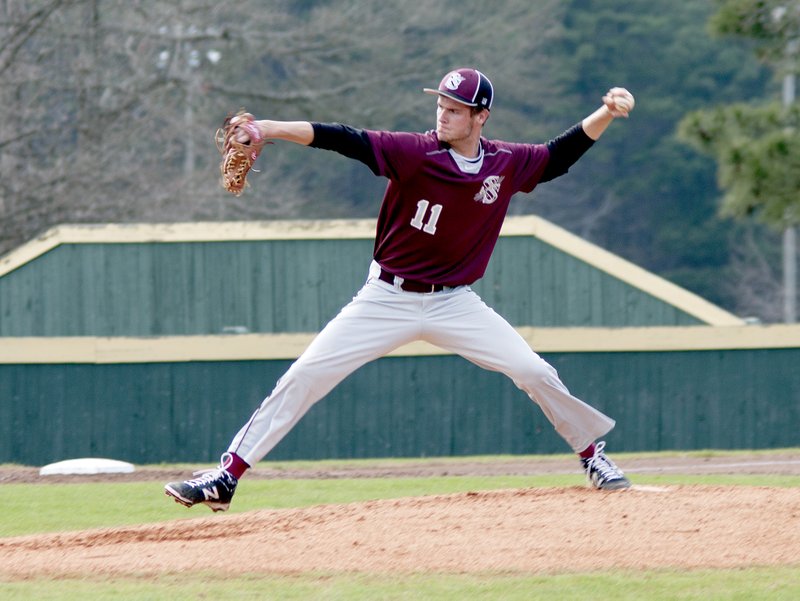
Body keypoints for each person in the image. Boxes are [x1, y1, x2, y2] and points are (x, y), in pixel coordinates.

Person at [165, 68, 635, 512]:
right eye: (441, 104)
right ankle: (226, 477)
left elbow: (557, 157)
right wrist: (268, 127)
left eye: (455, 108)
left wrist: (607, 114)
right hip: (386, 297)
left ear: (480, 117)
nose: (443, 114)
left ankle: (592, 454)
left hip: (454, 302)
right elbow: (343, 138)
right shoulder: (414, 151)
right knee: (306, 375)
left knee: (532, 371)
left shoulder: (504, 162)